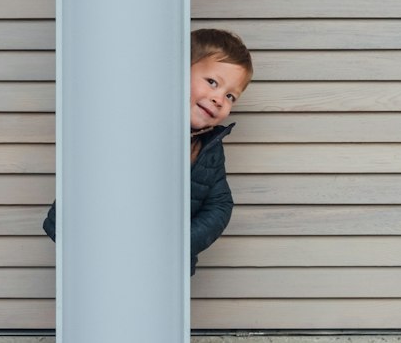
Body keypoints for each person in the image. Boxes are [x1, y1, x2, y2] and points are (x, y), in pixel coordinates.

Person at [42, 27, 253, 274]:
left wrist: (177, 246)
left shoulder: (207, 147)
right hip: (98, 259)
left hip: (162, 270)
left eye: (230, 96)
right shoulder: (132, 120)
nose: (219, 99)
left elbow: (219, 205)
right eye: (212, 82)